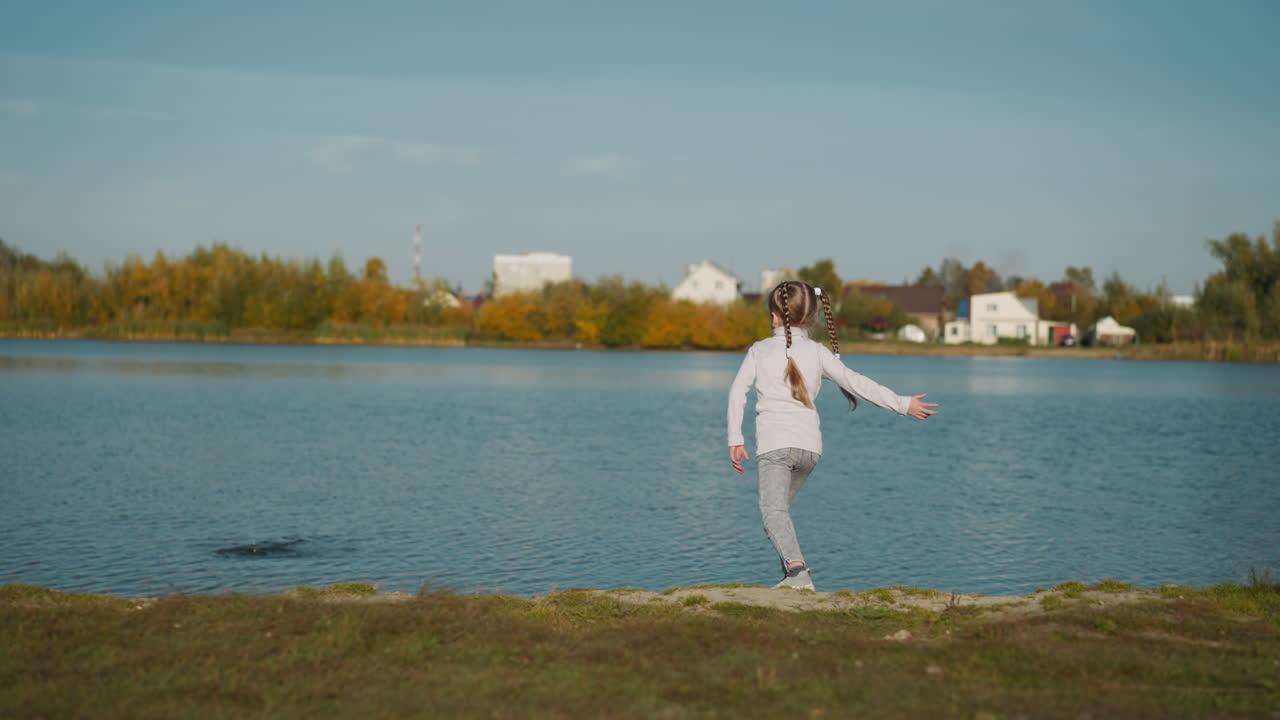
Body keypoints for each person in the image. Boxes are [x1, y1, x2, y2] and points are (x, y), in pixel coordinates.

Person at [727, 280, 939, 590]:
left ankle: (798, 574)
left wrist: (735, 438)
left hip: (775, 447)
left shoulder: (760, 350)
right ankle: (791, 575)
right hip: (809, 451)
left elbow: (737, 392)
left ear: (775, 315)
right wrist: (902, 404)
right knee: (777, 513)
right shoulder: (818, 352)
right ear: (810, 317)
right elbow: (857, 383)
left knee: (772, 512)